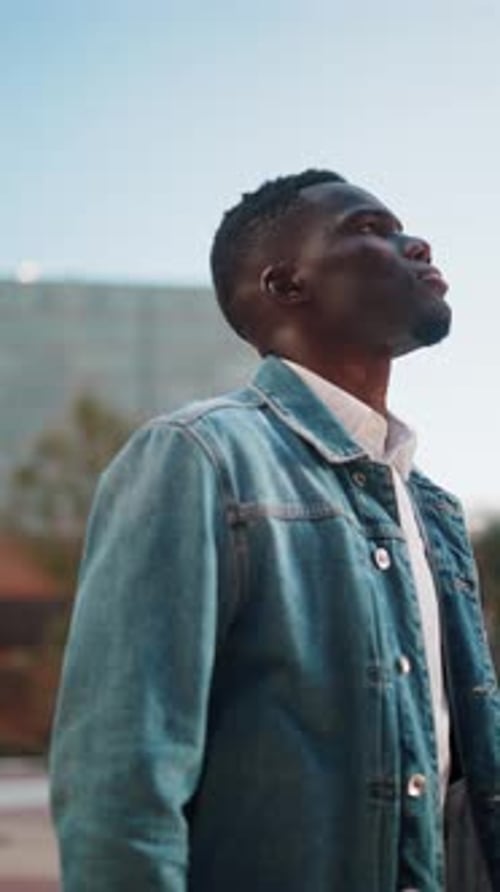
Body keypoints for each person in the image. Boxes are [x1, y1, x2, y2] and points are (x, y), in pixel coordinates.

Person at [50, 170, 500, 891]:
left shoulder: (433, 511)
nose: (415, 244)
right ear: (287, 284)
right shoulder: (199, 456)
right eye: (368, 229)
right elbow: (121, 783)